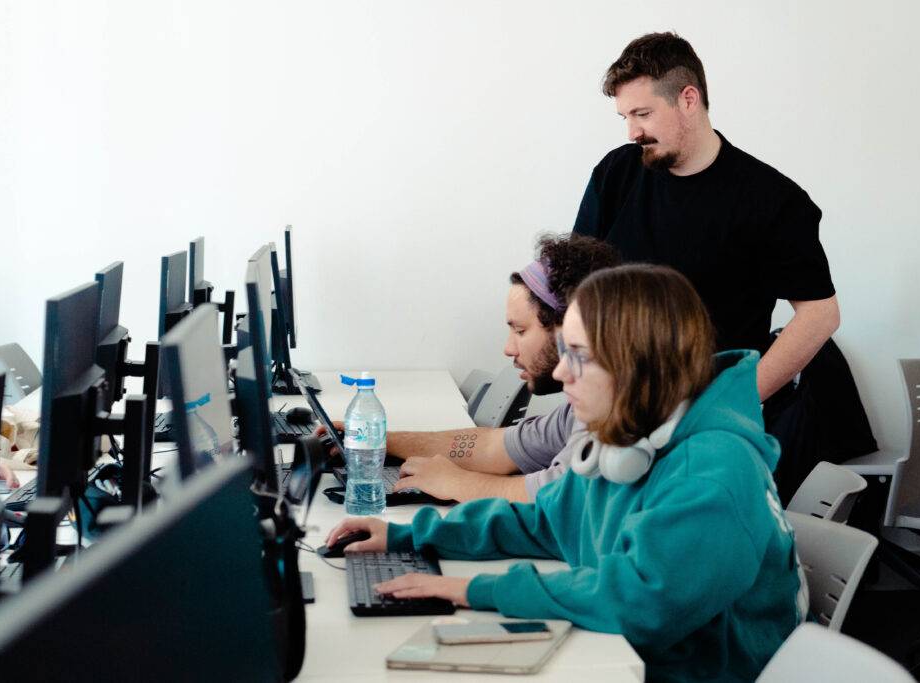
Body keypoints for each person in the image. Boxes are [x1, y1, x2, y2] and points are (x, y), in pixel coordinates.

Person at [325, 265, 807, 682]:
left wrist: (477, 590)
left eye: (579, 355)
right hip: (639, 660)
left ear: (634, 365)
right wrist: (411, 535)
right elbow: (546, 522)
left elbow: (640, 599)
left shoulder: (713, 474)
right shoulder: (627, 435)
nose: (560, 374)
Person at [573, 32, 840, 404]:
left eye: (643, 114)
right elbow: (575, 284)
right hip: (618, 404)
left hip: (709, 414)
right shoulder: (616, 173)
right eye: (625, 117)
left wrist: (739, 398)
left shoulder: (772, 199)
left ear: (688, 99)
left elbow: (820, 313)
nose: (632, 131)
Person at [317, 234, 619, 503]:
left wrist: (456, 482)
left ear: (568, 331)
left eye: (521, 331)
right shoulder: (577, 410)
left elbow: (554, 499)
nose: (508, 348)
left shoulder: (617, 409)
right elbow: (491, 446)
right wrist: (379, 440)